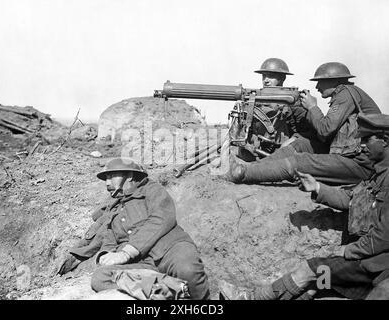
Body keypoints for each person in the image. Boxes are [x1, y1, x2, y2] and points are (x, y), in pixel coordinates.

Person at [219, 113, 389, 300]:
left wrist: (350, 251)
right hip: (367, 259)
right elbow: (352, 200)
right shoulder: (378, 174)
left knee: (310, 269)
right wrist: (316, 187)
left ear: (385, 141)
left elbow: (384, 235)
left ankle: (251, 298)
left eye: (367, 139)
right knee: (317, 287)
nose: (361, 145)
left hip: (376, 265)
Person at [58, 157, 210, 300]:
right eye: (105, 178)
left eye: (111, 176)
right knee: (100, 278)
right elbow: (110, 240)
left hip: (171, 250)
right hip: (145, 264)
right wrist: (106, 256)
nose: (106, 183)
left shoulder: (151, 190)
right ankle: (170, 288)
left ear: (129, 175)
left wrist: (127, 252)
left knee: (188, 270)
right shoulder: (114, 209)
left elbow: (161, 218)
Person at [226, 62, 381, 185]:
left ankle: (243, 174)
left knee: (301, 162)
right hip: (349, 154)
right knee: (300, 145)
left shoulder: (346, 93)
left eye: (320, 82)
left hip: (363, 161)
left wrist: (313, 107)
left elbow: (325, 130)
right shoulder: (345, 95)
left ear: (334, 81)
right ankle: (250, 168)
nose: (317, 87)